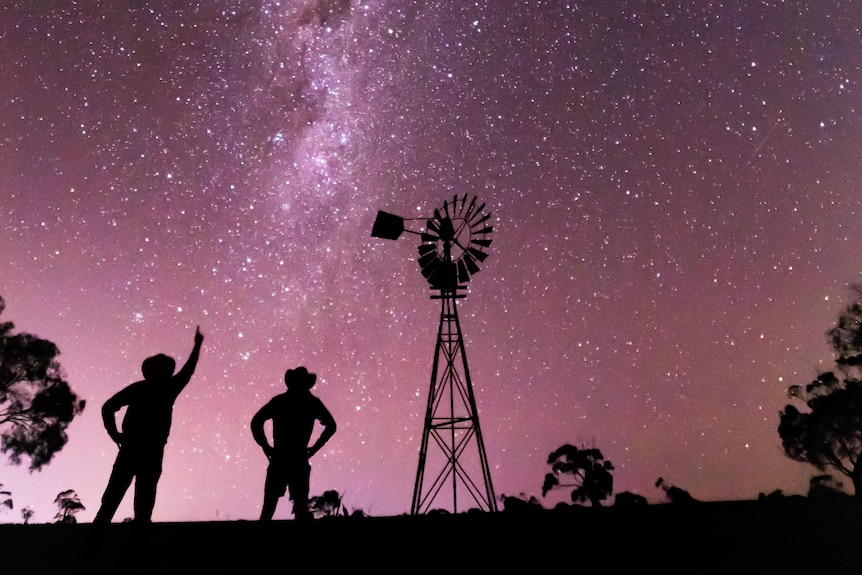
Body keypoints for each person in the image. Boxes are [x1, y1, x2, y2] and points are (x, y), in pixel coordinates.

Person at [93, 326, 204, 524]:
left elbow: (108, 407)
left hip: (134, 448)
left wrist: (115, 434)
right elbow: (188, 371)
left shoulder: (141, 388)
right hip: (147, 449)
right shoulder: (168, 388)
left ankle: (97, 540)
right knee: (140, 498)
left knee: (116, 497)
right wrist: (197, 346)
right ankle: (131, 541)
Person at [251, 366, 336, 521]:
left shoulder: (280, 401)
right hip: (297, 457)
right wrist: (314, 449)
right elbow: (331, 425)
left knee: (271, 506)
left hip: (281, 457)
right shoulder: (311, 403)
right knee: (299, 506)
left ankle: (262, 538)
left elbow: (256, 421)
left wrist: (266, 446)